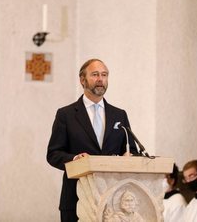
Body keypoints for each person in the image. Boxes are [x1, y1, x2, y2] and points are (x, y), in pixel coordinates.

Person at [46, 58, 138, 222]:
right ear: (82, 80)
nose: (100, 79)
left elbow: (132, 151)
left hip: (114, 202)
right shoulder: (66, 115)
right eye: (95, 74)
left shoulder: (119, 115)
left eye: (104, 75)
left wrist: (128, 158)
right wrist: (75, 159)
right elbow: (53, 154)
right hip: (76, 198)